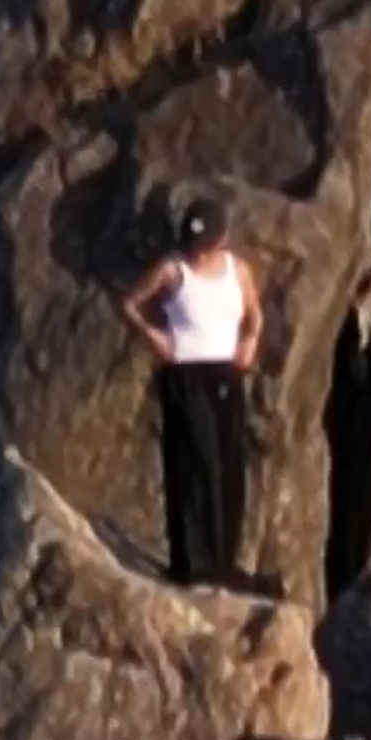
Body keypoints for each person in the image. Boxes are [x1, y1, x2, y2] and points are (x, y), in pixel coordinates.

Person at [120, 191, 264, 592]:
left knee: (228, 464)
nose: (197, 253)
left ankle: (223, 560)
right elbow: (130, 303)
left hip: (225, 373)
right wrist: (153, 335)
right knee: (193, 464)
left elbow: (254, 314)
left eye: (204, 246)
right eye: (193, 245)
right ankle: (191, 562)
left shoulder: (238, 271)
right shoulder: (172, 269)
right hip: (185, 372)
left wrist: (250, 340)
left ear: (222, 240)